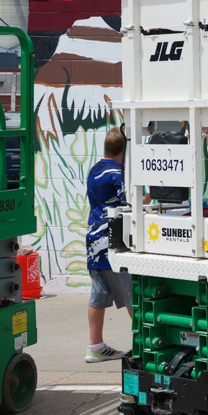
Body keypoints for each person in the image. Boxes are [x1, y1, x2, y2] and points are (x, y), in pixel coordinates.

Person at [86, 126, 130, 363]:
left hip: (94, 239)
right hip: (112, 242)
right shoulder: (118, 172)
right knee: (133, 294)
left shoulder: (95, 169)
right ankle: (144, 346)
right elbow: (131, 200)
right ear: (124, 150)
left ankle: (95, 346)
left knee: (98, 295)